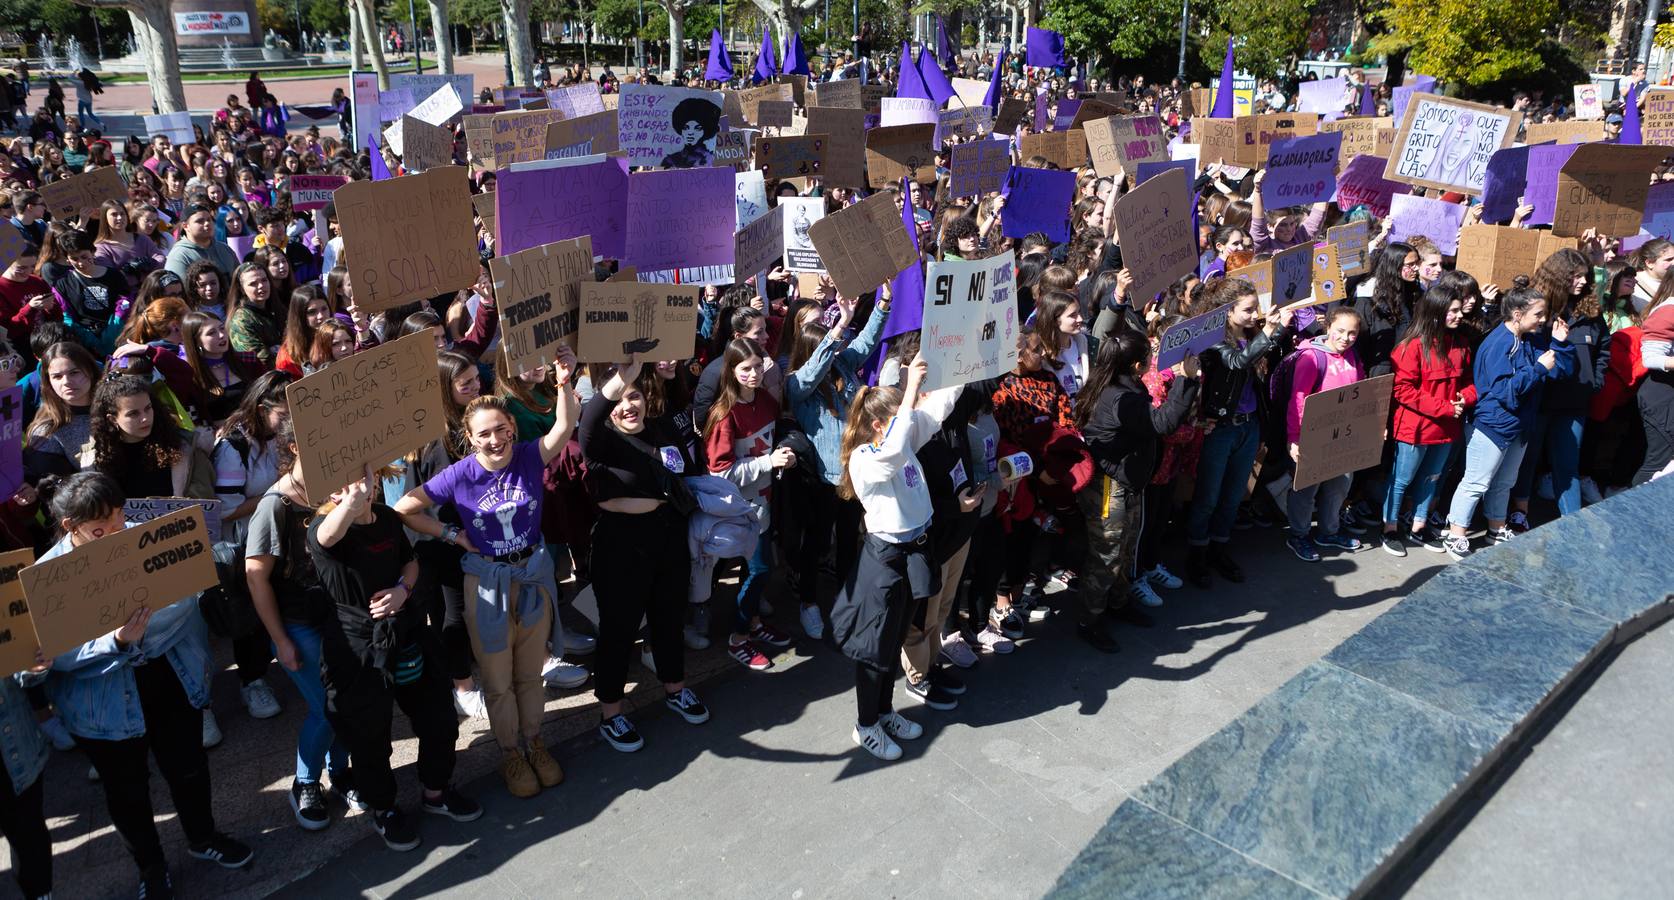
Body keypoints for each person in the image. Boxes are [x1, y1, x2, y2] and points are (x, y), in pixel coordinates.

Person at [39, 472, 254, 897]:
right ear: (71, 527)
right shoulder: (50, 577)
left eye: (120, 518)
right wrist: (115, 642)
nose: (117, 531)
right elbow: (57, 654)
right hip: (101, 702)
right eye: (102, 527)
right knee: (126, 790)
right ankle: (151, 867)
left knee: (189, 766)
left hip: (169, 676)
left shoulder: (151, 540)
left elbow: (184, 599)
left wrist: (139, 633)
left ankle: (203, 838)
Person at [394, 350, 581, 798]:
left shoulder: (529, 457)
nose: (495, 440)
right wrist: (451, 534)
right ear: (470, 438)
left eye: (501, 429)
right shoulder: (458, 475)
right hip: (487, 586)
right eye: (484, 434)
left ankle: (535, 743)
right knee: (497, 682)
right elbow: (404, 508)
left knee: (530, 675)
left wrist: (564, 381)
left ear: (512, 429)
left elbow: (565, 426)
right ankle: (510, 752)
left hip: (532, 578)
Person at [308, 467, 483, 851]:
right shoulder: (322, 528)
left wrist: (404, 590)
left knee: (438, 716)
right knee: (369, 736)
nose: (354, 488)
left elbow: (410, 561)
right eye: (340, 483)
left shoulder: (387, 517)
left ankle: (436, 794)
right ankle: (383, 809)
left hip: (407, 632)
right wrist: (349, 505)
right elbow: (328, 536)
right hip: (357, 649)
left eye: (360, 479)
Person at [576, 356, 711, 753]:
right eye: (619, 400)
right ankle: (612, 714)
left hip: (667, 536)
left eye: (634, 396)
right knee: (619, 631)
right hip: (620, 546)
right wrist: (621, 379)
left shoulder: (659, 429)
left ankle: (675, 689)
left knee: (668, 618)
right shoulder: (599, 440)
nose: (627, 405)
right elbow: (587, 421)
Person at [828, 353, 944, 761]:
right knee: (874, 647)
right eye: (899, 417)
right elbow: (894, 452)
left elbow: (940, 408)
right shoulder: (866, 459)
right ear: (879, 425)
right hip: (884, 557)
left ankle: (884, 711)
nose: (909, 421)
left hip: (914, 549)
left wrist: (963, 366)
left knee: (895, 637)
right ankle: (865, 724)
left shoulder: (902, 438)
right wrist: (909, 390)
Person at [245, 420, 356, 831]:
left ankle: (341, 774)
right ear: (294, 447)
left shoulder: (336, 488)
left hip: (338, 618)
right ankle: (305, 783)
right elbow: (256, 577)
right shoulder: (275, 505)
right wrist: (280, 640)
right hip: (298, 626)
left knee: (346, 701)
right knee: (326, 708)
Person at [1073, 330, 1199, 652]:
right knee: (1106, 555)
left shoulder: (1117, 381)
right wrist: (1185, 380)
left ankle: (1118, 602)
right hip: (1109, 488)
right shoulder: (1122, 397)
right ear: (1136, 364)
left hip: (1126, 483)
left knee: (1125, 548)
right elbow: (1161, 424)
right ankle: (1090, 620)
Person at [1443, 287, 1575, 559]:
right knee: (1476, 482)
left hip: (1519, 426)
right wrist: (1538, 369)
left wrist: (1560, 345)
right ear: (1517, 314)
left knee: (1505, 482)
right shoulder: (1499, 344)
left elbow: (1559, 373)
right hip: (1494, 425)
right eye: (1538, 314)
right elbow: (1505, 392)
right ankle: (1455, 533)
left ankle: (1496, 527)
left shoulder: (1530, 338)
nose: (1543, 320)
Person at [1187, 279, 1293, 587]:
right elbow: (1237, 362)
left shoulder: (1252, 335)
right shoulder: (1213, 340)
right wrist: (1270, 332)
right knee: (1208, 498)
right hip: (1220, 428)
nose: (1253, 315)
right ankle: (1196, 555)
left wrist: (1278, 332)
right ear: (1227, 311)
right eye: (1247, 310)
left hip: (1249, 425)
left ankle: (1219, 549)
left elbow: (1265, 362)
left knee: (1234, 496)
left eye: (1254, 309)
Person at [703, 337, 796, 669]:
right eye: (746, 369)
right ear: (731, 370)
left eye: (758, 366)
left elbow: (774, 437)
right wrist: (768, 463)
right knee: (759, 570)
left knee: (755, 571)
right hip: (740, 510)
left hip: (764, 502)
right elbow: (721, 473)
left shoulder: (767, 401)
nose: (754, 374)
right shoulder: (724, 415)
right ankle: (738, 639)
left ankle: (753, 622)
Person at [1382, 284, 1475, 556]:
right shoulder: (1411, 347)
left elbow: (1470, 381)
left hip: (1446, 427)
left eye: (1459, 310)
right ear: (1436, 312)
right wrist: (1445, 407)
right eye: (1453, 311)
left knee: (1431, 478)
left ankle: (1418, 526)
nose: (1459, 315)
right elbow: (1403, 390)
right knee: (1402, 479)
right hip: (1415, 427)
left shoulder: (1460, 343)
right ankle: (1390, 528)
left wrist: (1465, 398)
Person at [1281, 308, 1368, 561]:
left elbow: (1361, 389)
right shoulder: (1312, 357)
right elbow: (1297, 399)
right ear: (1327, 327)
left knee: (1339, 485)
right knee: (1306, 490)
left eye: (1352, 333)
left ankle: (1328, 532)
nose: (1346, 337)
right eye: (1340, 331)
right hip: (1313, 435)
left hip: (1344, 434)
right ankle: (1298, 535)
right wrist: (1294, 438)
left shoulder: (1353, 354)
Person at [164, 205, 241, 281]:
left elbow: (239, 279)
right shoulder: (179, 256)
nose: (207, 223)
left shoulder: (224, 248)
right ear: (186, 226)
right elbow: (176, 289)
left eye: (209, 219)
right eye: (200, 221)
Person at [659, 97, 720, 168]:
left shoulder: (712, 159)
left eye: (697, 128)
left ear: (706, 131)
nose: (690, 133)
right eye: (686, 128)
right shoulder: (671, 160)